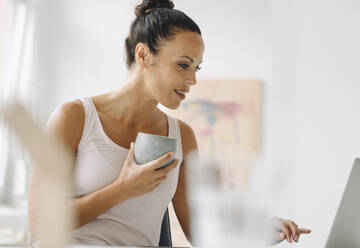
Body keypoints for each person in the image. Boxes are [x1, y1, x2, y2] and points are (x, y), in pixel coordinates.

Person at [28, 0, 310, 246]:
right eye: (183, 65)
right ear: (143, 55)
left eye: (196, 68)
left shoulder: (182, 136)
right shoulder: (75, 117)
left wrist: (255, 233)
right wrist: (122, 190)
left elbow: (200, 232)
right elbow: (40, 223)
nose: (193, 79)